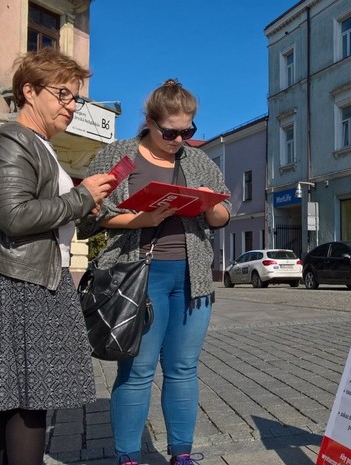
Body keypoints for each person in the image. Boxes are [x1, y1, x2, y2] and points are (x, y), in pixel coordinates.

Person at [0, 48, 116, 465]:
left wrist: (86, 207)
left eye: (76, 98)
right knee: (28, 401)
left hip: (32, 277)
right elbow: (15, 215)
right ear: (29, 91)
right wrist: (80, 198)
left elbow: (44, 213)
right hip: (20, 282)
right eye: (63, 95)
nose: (71, 107)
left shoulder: (41, 145)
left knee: (15, 398)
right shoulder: (12, 139)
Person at [78, 79, 231, 465]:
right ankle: (127, 456)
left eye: (188, 131)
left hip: (192, 278)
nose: (179, 139)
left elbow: (223, 216)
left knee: (183, 369)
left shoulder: (197, 160)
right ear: (148, 121)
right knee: (138, 369)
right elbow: (90, 217)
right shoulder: (121, 155)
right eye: (170, 131)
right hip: (137, 277)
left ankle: (181, 453)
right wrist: (141, 218)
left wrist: (209, 204)